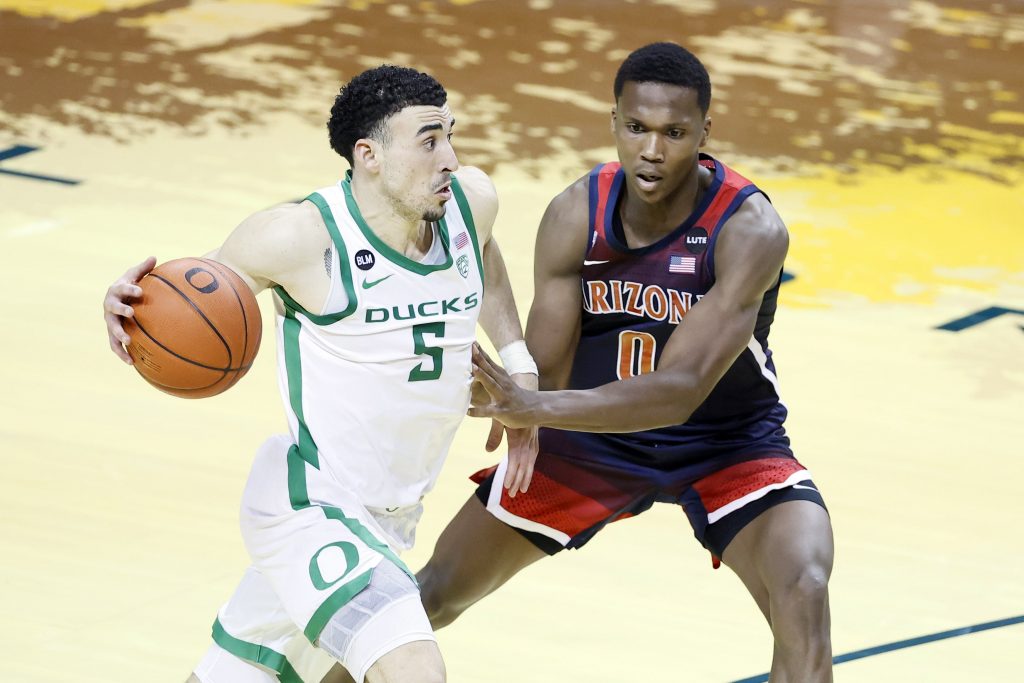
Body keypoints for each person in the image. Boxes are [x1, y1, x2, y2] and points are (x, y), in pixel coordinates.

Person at [102, 65, 539, 683]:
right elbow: (192, 296)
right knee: (414, 668)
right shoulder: (301, 238)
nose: (450, 157)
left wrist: (520, 369)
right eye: (429, 141)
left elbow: (485, 257)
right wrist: (127, 304)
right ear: (370, 156)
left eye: (450, 136)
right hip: (310, 502)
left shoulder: (471, 203)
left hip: (388, 518)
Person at [417, 42, 835, 681]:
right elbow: (549, 359)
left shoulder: (749, 228)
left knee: (802, 586)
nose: (653, 150)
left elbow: (681, 389)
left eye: (674, 133)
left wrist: (537, 404)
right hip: (590, 441)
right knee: (431, 594)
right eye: (637, 128)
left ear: (704, 133)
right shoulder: (576, 211)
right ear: (614, 122)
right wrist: (528, 418)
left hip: (726, 444)